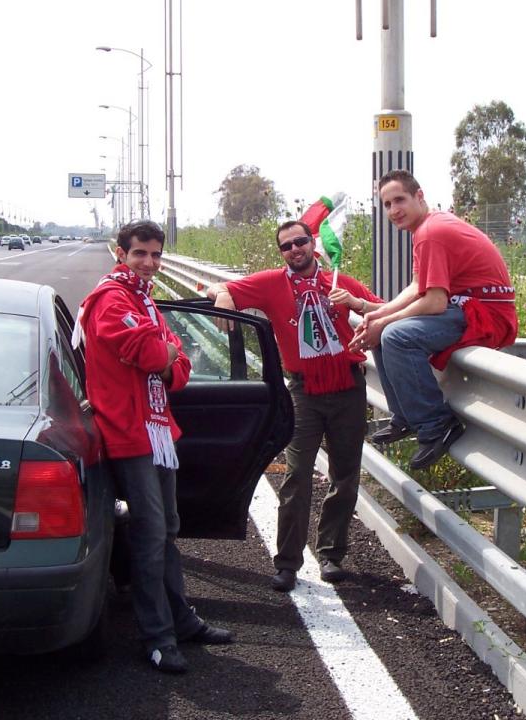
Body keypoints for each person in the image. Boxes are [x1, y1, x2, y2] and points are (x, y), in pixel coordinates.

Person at [74, 219, 233, 675]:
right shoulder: (109, 298)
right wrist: (163, 351)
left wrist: (163, 352)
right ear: (121, 253)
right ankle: (157, 637)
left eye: (156, 254)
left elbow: (179, 366)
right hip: (129, 432)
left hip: (158, 429)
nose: (149, 262)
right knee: (149, 536)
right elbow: (152, 352)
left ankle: (181, 620)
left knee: (167, 531)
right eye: (140, 253)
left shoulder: (143, 300)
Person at [206, 220, 383, 593]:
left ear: (312, 244)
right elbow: (219, 288)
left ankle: (332, 554)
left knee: (345, 475)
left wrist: (355, 305)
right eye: (286, 246)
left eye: (300, 242)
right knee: (297, 475)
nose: (294, 250)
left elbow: (381, 311)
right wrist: (223, 294)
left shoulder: (340, 280)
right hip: (303, 391)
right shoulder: (272, 283)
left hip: (349, 387)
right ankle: (287, 563)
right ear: (282, 253)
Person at [350, 170, 518, 471]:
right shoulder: (426, 228)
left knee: (395, 336)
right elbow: (418, 286)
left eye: (399, 200)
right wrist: (378, 314)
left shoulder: (431, 234)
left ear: (419, 196)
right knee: (382, 328)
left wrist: (383, 322)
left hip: (487, 315)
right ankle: (404, 417)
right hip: (466, 306)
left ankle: (437, 425)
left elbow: (434, 301)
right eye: (387, 204)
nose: (393, 210)